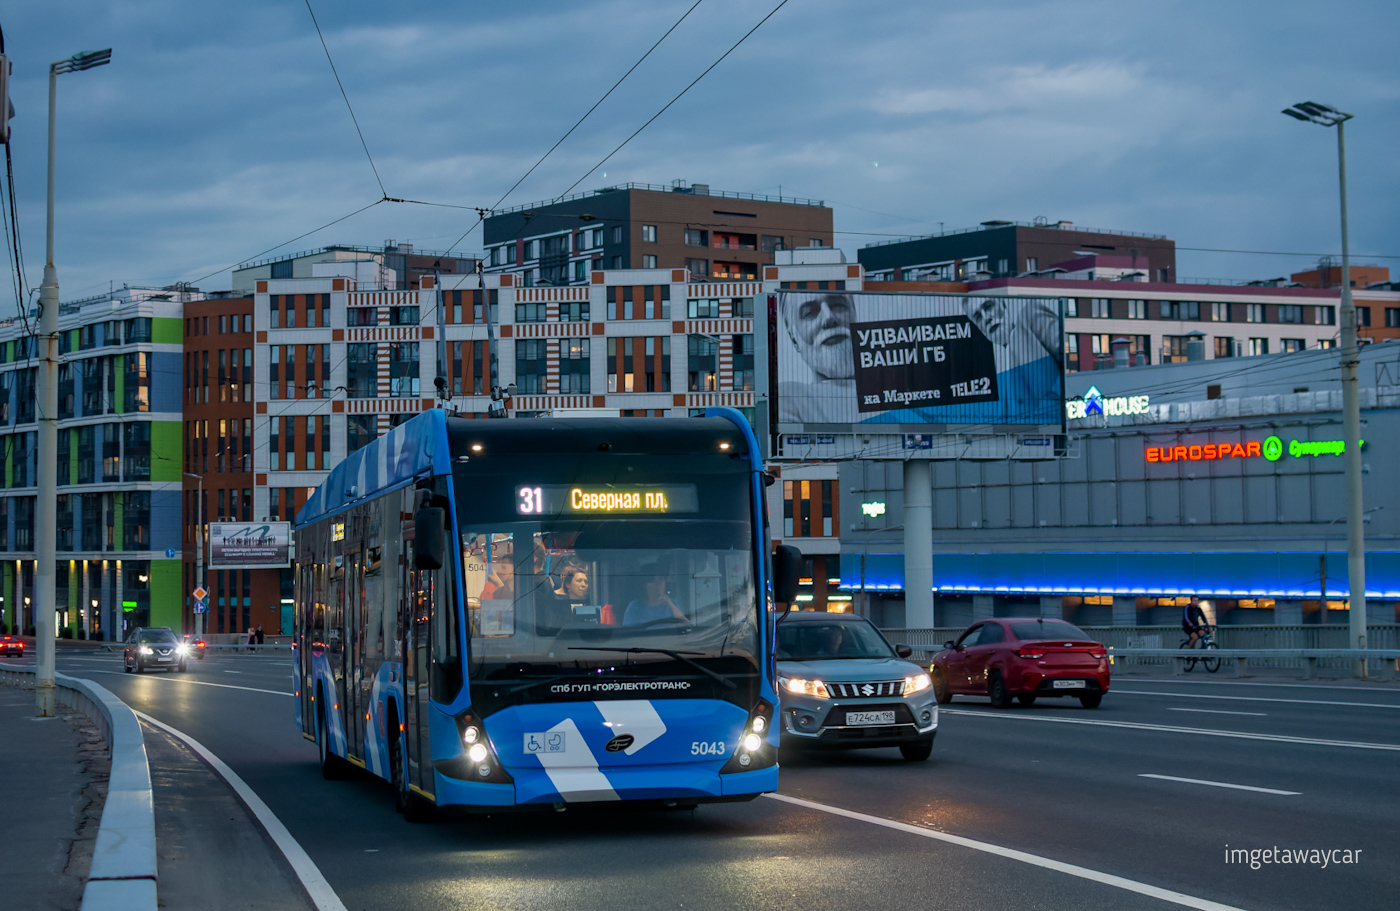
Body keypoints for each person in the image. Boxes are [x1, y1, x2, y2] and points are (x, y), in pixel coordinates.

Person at [776, 292, 860, 424]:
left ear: (854, 316)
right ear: (794, 338)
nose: (828, 318)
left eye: (838, 305)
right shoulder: (789, 397)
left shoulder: (892, 392)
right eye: (809, 313)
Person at [623, 564, 687, 627]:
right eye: (652, 580)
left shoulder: (673, 604)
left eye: (660, 579)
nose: (658, 583)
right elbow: (628, 632)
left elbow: (686, 626)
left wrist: (670, 604)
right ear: (645, 585)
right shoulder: (635, 606)